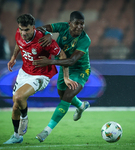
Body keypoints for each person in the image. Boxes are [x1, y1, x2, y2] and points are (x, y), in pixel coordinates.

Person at [4, 14, 78, 144]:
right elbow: (19, 43)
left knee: (19, 97)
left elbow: (62, 55)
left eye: (26, 30)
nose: (23, 33)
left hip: (40, 75)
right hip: (24, 73)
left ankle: (25, 118)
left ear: (33, 28)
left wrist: (65, 77)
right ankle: (17, 136)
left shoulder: (44, 40)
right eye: (21, 29)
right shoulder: (19, 33)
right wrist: (13, 58)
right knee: (15, 106)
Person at [33, 11, 91, 142]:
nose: (80, 27)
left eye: (82, 24)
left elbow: (71, 61)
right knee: (62, 95)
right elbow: (39, 29)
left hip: (80, 70)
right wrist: (48, 34)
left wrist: (49, 61)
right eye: (77, 23)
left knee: (68, 95)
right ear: (70, 23)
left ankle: (46, 131)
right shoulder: (63, 27)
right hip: (64, 66)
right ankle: (81, 106)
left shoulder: (85, 39)